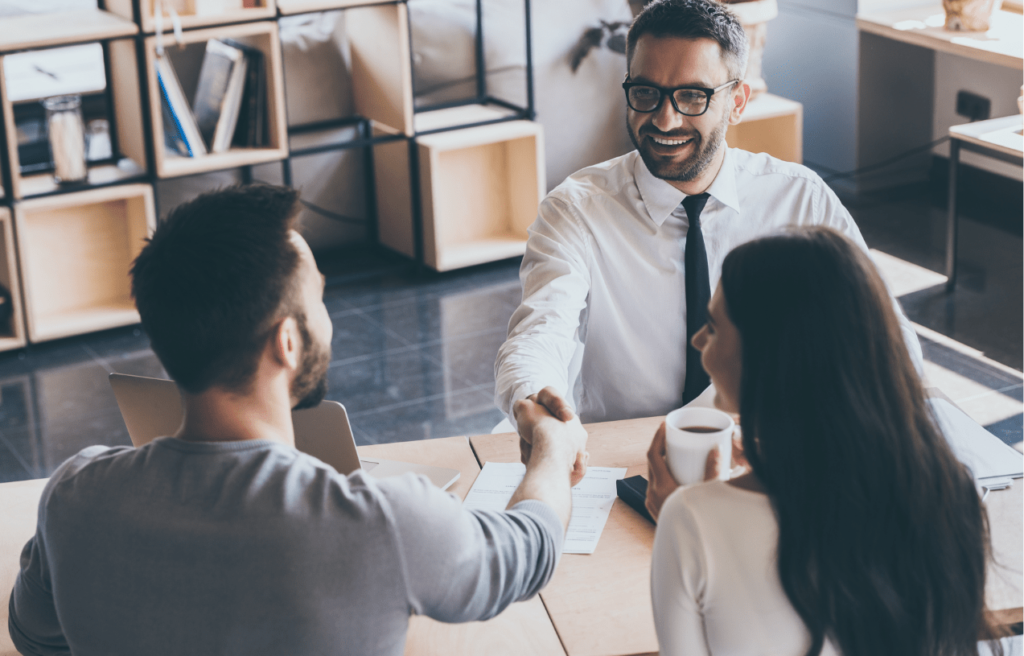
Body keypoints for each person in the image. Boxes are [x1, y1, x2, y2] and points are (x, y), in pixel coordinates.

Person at [8, 184, 588, 656]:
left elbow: (33, 635)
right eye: (319, 301)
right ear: (288, 341)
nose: (327, 321)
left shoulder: (74, 497)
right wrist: (553, 451)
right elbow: (529, 548)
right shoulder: (381, 525)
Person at [495, 0, 923, 451]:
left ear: (736, 102)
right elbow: (539, 331)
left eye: (692, 96)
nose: (665, 119)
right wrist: (537, 403)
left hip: (770, 450)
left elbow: (885, 337)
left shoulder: (800, 198)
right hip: (624, 451)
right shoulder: (575, 209)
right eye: (645, 92)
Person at [645, 227, 1002, 656]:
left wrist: (685, 521)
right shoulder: (950, 492)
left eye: (714, 327)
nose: (697, 340)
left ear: (771, 360)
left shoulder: (690, 519)